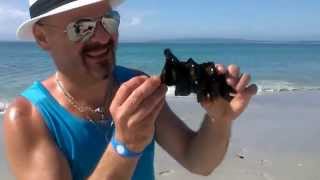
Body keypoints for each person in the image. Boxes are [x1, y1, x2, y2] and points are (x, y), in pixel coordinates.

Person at [3, 0, 257, 180]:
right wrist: (125, 146)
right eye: (81, 27)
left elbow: (198, 161)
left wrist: (219, 119)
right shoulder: (27, 117)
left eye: (107, 21)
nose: (103, 38)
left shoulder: (135, 85)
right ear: (42, 37)